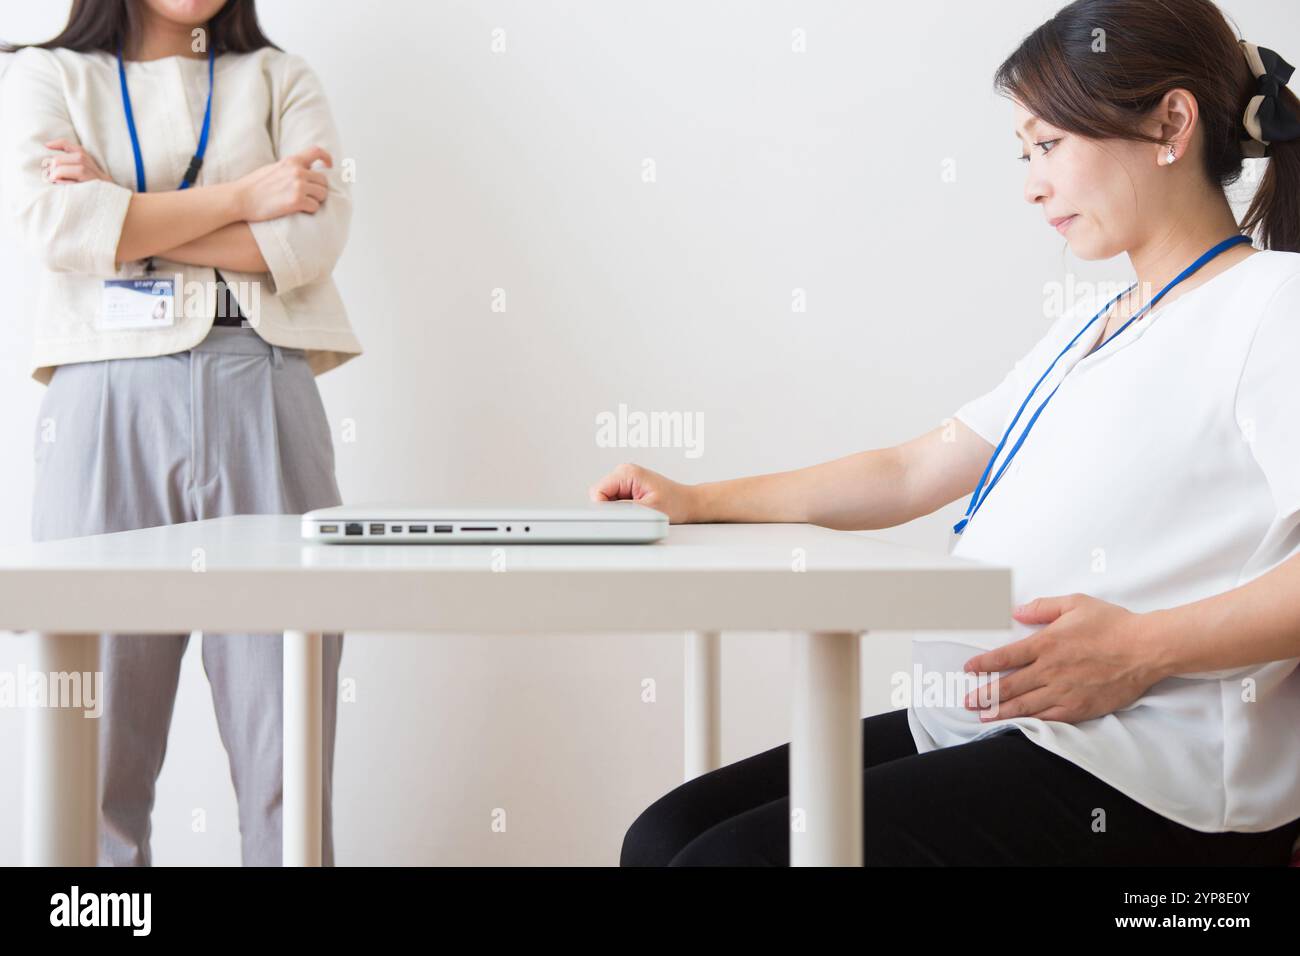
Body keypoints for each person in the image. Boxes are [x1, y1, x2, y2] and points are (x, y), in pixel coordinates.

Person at [592, 0, 1300, 866]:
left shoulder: (1274, 305)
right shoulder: (1097, 324)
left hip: (1142, 777)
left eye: (1049, 145)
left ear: (1171, 123)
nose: (1032, 183)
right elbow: (911, 469)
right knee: (661, 838)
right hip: (1001, 727)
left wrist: (1142, 651)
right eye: (1024, 153)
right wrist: (698, 500)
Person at [0, 0, 362, 865]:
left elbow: (309, 241)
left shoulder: (281, 78)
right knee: (90, 755)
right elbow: (58, 228)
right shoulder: (50, 75)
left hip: (263, 389)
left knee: (287, 745)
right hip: (103, 403)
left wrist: (125, 214)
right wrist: (244, 198)